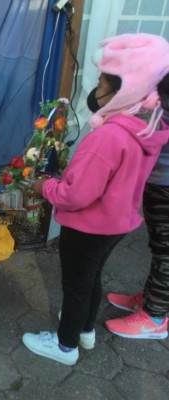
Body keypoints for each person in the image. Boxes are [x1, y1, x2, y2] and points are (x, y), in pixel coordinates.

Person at [21, 33, 169, 365]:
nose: (96, 88)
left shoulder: (107, 138)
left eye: (102, 81)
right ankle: (85, 329)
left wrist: (44, 188)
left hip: (88, 226)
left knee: (75, 284)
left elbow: (75, 195)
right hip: (116, 225)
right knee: (91, 277)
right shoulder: (146, 128)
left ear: (124, 89)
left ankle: (64, 346)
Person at [104, 72, 169, 340]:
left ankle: (155, 317)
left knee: (167, 251)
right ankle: (153, 298)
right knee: (159, 244)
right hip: (159, 178)